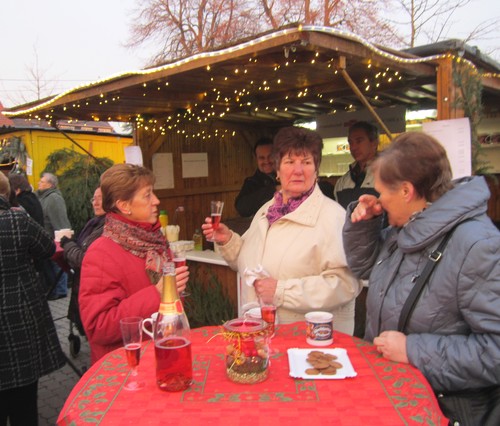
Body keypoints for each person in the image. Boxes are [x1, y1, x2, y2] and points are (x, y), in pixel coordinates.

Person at [342, 132, 500, 426]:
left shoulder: (478, 245)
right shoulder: (407, 227)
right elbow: (363, 267)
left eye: (382, 192)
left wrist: (413, 351)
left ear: (406, 191)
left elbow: (495, 352)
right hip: (392, 398)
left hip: (441, 410)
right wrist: (366, 225)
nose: (378, 199)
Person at [203, 126, 361, 334]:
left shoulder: (333, 217)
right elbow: (249, 263)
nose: (298, 170)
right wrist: (229, 241)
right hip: (262, 338)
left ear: (316, 170)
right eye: (289, 162)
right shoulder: (267, 210)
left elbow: (345, 284)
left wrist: (281, 292)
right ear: (277, 170)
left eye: (306, 162)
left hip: (310, 343)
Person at [79, 164, 189, 365]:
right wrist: (157, 293)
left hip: (165, 355)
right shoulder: (101, 253)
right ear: (124, 206)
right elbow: (98, 327)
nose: (156, 201)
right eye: (147, 195)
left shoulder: (155, 241)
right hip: (126, 368)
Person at [0, 172, 66, 426]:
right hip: (19, 322)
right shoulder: (17, 220)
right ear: (7, 194)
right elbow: (48, 249)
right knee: (24, 405)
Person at [334, 120, 380, 338]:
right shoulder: (342, 183)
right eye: (350, 142)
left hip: (378, 255)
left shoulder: (386, 176)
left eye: (359, 140)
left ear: (375, 142)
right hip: (347, 255)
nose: (354, 147)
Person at [60, 187, 106, 335]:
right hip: (83, 287)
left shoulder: (106, 226)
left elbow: (84, 260)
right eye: (94, 198)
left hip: (95, 288)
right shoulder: (93, 223)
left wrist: (68, 245)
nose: (96, 203)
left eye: (101, 198)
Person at [37, 172, 72, 300]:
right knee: (52, 265)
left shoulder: (54, 198)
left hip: (54, 237)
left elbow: (60, 219)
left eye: (42, 182)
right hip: (48, 237)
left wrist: (62, 237)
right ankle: (56, 288)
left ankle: (61, 290)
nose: (38, 183)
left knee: (57, 265)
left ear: (50, 185)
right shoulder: (44, 197)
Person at [235, 137, 278, 217]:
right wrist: (274, 189)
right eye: (262, 158)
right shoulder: (251, 182)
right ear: (256, 159)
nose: (266, 161)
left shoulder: (287, 177)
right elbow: (241, 208)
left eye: (270, 156)